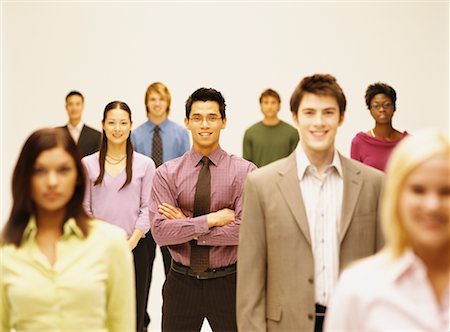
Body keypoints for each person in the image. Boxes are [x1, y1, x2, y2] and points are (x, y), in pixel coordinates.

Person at [237, 74, 384, 332]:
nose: (318, 122)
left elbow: (385, 270)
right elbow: (250, 282)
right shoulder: (261, 185)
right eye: (309, 112)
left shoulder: (374, 184)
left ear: (341, 117)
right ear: (295, 117)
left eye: (328, 112)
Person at [1, 128, 135, 331]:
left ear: (78, 177)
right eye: (39, 171)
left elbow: (123, 326)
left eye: (63, 170)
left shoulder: (111, 243)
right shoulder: (6, 250)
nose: (52, 182)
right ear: (25, 178)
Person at [150, 87, 256, 331]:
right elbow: (160, 233)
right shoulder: (166, 174)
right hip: (181, 283)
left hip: (230, 282)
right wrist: (212, 219)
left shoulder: (245, 172)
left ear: (224, 122)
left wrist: (184, 223)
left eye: (212, 117)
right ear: (187, 122)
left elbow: (246, 232)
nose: (204, 124)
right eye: (197, 117)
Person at [325, 129, 449, 332]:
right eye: (418, 190)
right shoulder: (357, 289)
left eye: (446, 191)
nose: (432, 205)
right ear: (396, 196)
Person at [82, 101, 155, 332]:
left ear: (131, 125)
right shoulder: (88, 164)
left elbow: (148, 209)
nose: (117, 128)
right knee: (99, 313)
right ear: (102, 125)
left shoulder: (145, 164)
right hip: (98, 250)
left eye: (123, 123)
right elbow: (84, 209)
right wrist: (103, 242)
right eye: (112, 122)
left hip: (136, 249)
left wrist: (131, 241)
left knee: (133, 315)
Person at [131, 82, 190, 329]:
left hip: (169, 211)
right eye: (152, 99)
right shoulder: (136, 134)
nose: (157, 103)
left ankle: (177, 321)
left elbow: (188, 171)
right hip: (143, 213)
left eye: (161, 99)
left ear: (167, 103)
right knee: (141, 275)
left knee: (174, 273)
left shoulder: (179, 133)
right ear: (147, 103)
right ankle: (140, 323)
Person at [350, 82, 408, 171]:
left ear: (394, 108)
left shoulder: (408, 142)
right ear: (370, 110)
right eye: (376, 106)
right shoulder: (359, 142)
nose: (382, 109)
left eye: (387, 105)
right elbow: (355, 180)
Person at [243, 88, 299, 167]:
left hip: (284, 179)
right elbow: (246, 166)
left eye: (273, 102)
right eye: (266, 102)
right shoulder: (250, 133)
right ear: (261, 106)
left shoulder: (292, 132)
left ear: (279, 105)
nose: (269, 106)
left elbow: (296, 163)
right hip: (258, 178)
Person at [61, 90, 102, 158]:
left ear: (83, 106)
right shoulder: (57, 134)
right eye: (70, 104)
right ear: (66, 107)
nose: (74, 108)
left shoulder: (96, 136)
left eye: (77, 104)